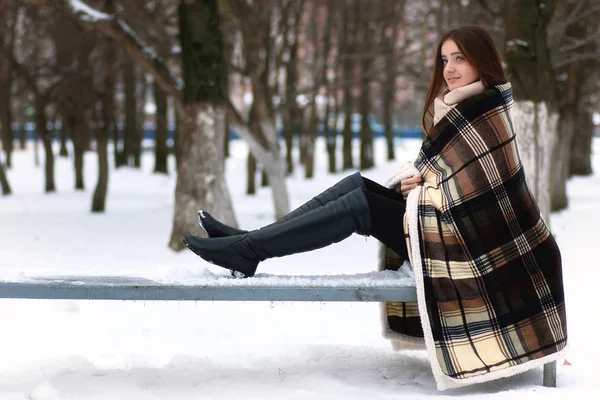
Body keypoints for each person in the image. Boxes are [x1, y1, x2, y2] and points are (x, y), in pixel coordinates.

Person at [185, 25, 567, 390]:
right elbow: (446, 178)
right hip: (448, 227)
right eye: (444, 60)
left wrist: (422, 187)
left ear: (481, 62)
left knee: (360, 206)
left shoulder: (484, 113)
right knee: (357, 187)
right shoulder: (464, 107)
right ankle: (249, 243)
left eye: (459, 59)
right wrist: (418, 184)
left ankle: (248, 250)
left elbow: (479, 200)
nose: (449, 69)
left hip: (472, 249)